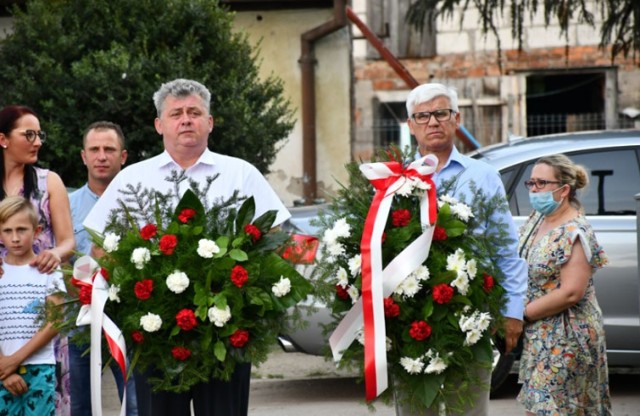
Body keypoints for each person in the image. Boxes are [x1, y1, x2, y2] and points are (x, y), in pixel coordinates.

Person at [83, 78, 290, 416]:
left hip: (227, 329)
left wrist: (247, 290)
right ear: (159, 124)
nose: (186, 120)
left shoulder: (241, 173)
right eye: (176, 113)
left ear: (209, 122)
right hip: (157, 334)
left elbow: (275, 236)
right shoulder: (133, 179)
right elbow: (100, 248)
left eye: (195, 112)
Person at [400, 83, 528, 415]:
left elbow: (504, 247)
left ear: (456, 119)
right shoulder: (394, 177)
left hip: (471, 313)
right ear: (411, 125)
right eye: (422, 116)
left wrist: (513, 310)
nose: (432, 122)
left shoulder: (484, 176)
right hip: (408, 318)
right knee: (415, 409)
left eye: (441, 113)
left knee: (468, 408)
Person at [517, 154, 612, 415]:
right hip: (541, 335)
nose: (534, 190)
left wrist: (523, 314)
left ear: (564, 189)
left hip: (567, 337)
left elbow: (571, 292)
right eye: (531, 183)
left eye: (541, 183)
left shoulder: (575, 231)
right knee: (541, 407)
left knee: (551, 409)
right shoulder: (538, 218)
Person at [0, 104, 75, 415]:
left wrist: (54, 254)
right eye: (28, 134)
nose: (37, 141)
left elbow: (68, 239)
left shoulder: (49, 181)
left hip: (41, 302)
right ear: (3, 139)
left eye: (39, 134)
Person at [68, 121, 138, 415]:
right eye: (94, 149)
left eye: (109, 149)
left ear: (123, 157)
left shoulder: (140, 204)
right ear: (83, 156)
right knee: (80, 407)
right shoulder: (66, 206)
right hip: (78, 325)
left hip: (131, 324)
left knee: (135, 407)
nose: (101, 156)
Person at [0, 196, 66, 416]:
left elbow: (55, 321)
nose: (15, 238)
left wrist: (15, 360)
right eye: (7, 231)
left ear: (37, 231)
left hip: (40, 367)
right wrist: (5, 368)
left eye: (22, 230)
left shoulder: (49, 271)